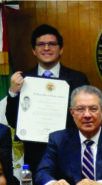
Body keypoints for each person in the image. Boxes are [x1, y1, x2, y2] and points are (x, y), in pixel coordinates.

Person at [6, 24, 91, 172]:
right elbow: (13, 120)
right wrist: (13, 91)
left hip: (70, 152)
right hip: (35, 153)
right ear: (34, 50)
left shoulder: (78, 79)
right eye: (41, 44)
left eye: (52, 44)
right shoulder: (23, 79)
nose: (46, 48)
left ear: (61, 49)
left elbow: (85, 116)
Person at [35, 85, 102, 185]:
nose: (87, 115)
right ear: (72, 112)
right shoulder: (58, 139)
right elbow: (42, 172)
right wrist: (52, 184)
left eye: (93, 109)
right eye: (80, 109)